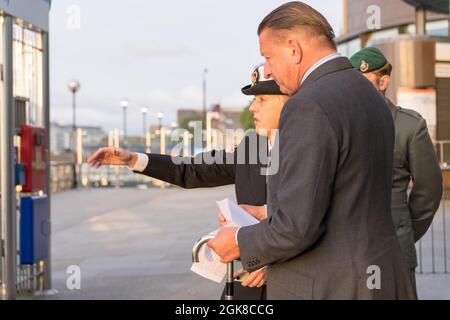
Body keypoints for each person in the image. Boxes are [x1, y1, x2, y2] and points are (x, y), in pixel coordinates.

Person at [207, 1, 417, 300]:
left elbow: (296, 229)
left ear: (294, 48)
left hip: (330, 285)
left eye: (267, 57)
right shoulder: (368, 94)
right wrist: (268, 211)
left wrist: (240, 240)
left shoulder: (307, 104)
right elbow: (349, 193)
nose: (267, 68)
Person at [87, 64, 288, 300]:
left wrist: (276, 261)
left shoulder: (311, 149)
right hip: (245, 283)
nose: (253, 107)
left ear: (289, 103)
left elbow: (316, 220)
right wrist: (132, 159)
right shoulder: (252, 145)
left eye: (262, 100)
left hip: (290, 284)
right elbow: (192, 169)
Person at [350, 47, 443, 292]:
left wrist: (404, 230)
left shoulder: (409, 126)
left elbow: (429, 190)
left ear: (383, 81)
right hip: (348, 255)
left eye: (364, 81)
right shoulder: (343, 124)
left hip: (394, 254)